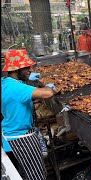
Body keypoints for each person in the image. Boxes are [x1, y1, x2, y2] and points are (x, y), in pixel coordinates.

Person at [1, 49, 56, 179]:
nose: (30, 70)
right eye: (26, 68)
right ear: (15, 70)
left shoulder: (5, 82)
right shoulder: (17, 88)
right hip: (21, 140)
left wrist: (26, 79)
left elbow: (16, 98)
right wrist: (49, 87)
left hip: (10, 136)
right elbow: (47, 93)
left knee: (24, 174)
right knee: (36, 176)